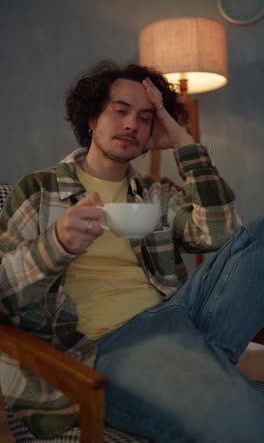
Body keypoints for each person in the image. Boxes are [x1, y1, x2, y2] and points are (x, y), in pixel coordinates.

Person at [1, 60, 264, 443]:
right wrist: (55, 244)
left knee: (258, 234)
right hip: (110, 346)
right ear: (91, 117)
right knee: (244, 417)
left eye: (145, 118)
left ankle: (201, 369)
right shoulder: (39, 191)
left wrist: (182, 142)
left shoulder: (157, 193)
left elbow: (223, 236)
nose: (131, 125)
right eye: (120, 111)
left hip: (179, 319)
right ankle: (210, 373)